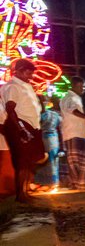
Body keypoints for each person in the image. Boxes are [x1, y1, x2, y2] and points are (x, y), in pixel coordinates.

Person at [1, 59, 45, 202]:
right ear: (18, 71)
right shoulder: (12, 86)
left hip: (31, 126)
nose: (31, 76)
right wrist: (20, 128)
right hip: (20, 126)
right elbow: (10, 108)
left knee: (30, 160)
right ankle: (21, 194)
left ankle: (25, 192)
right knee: (22, 161)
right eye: (28, 73)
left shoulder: (26, 86)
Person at [60, 76, 85, 190]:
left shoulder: (75, 97)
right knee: (78, 161)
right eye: (81, 86)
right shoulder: (70, 97)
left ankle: (80, 184)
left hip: (78, 133)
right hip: (74, 133)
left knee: (79, 161)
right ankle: (80, 185)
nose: (83, 89)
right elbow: (73, 110)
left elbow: (76, 113)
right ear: (74, 85)